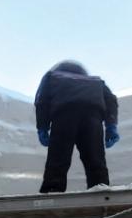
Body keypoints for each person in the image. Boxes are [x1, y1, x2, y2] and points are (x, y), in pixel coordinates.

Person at [34, 60, 119, 193]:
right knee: (96, 160)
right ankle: (101, 191)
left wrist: (42, 127)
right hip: (92, 115)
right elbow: (111, 100)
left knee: (58, 159)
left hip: (64, 114)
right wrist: (111, 125)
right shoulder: (96, 81)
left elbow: (42, 100)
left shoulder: (52, 76)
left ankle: (52, 192)